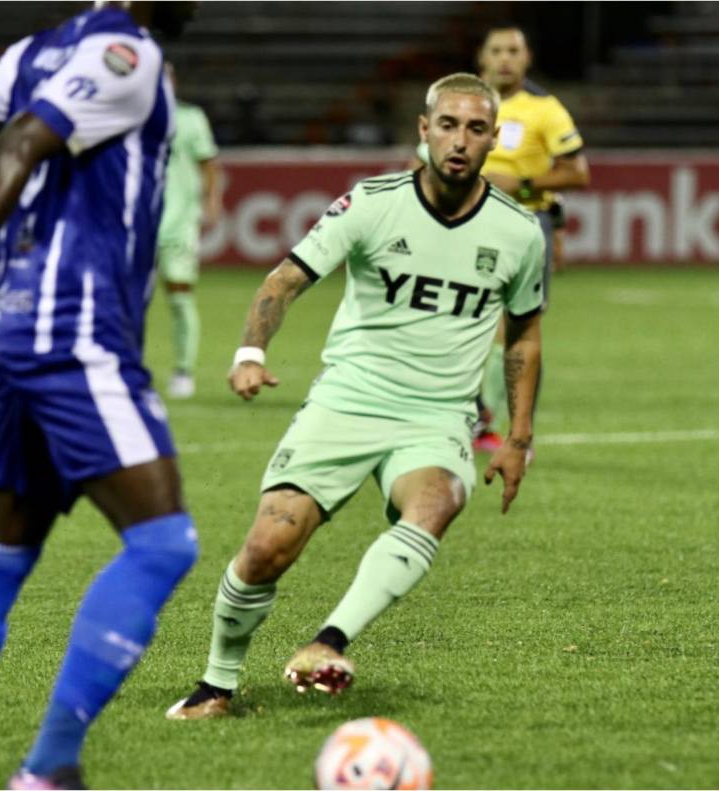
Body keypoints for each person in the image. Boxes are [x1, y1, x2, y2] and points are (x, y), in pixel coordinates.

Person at [166, 72, 544, 720]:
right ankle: (216, 684)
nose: (460, 140)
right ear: (424, 130)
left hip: (437, 415)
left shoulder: (519, 233)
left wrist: (518, 437)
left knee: (436, 502)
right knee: (267, 546)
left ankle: (329, 641)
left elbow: (525, 336)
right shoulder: (371, 203)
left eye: (476, 128)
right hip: (348, 399)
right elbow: (284, 280)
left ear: (494, 139)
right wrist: (250, 354)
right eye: (447, 125)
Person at [0, 3, 196, 788]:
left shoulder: (35, 52)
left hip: (21, 325)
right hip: (75, 332)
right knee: (162, 543)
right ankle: (49, 768)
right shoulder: (128, 53)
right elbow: (23, 141)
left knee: (4, 546)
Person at [473, 25, 589, 452]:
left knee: (519, 327)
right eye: (496, 50)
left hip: (524, 224)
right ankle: (475, 421)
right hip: (467, 223)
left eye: (513, 51)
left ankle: (513, 430)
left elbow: (577, 173)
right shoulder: (464, 102)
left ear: (527, 59)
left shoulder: (545, 109)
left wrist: (520, 185)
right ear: (482, 57)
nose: (505, 59)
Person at [157, 63, 224, 399]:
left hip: (179, 222)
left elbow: (208, 163)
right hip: (136, 225)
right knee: (125, 300)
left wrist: (212, 201)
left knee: (180, 295)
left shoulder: (190, 118)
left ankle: (184, 371)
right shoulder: (130, 118)